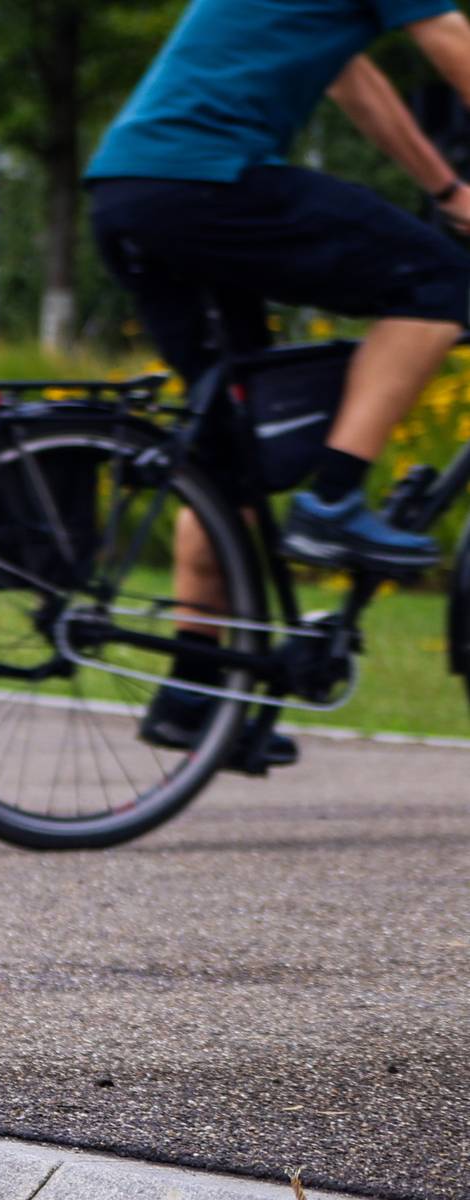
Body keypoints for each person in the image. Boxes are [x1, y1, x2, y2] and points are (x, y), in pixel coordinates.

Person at [87, 0, 470, 763]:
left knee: (227, 453)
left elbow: (355, 85)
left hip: (127, 191)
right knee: (444, 287)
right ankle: (333, 496)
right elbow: (453, 42)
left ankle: (192, 695)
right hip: (211, 182)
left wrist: (449, 192)